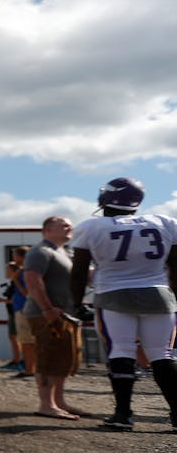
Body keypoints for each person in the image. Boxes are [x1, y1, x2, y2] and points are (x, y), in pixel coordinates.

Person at [69, 178, 177, 431]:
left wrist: (76, 302)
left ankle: (123, 414)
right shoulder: (165, 222)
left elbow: (79, 270)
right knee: (162, 353)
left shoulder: (91, 227)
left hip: (113, 294)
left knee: (121, 350)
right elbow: (176, 267)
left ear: (106, 197)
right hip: (158, 293)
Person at [22, 216, 83, 420]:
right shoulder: (40, 251)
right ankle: (46, 405)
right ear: (47, 229)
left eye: (70, 225)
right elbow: (32, 280)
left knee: (64, 358)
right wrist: (47, 309)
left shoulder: (64, 252)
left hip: (65, 314)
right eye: (64, 225)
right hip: (45, 314)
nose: (69, 227)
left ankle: (59, 401)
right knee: (49, 358)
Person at [6, 247, 37, 378]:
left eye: (14, 255)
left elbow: (27, 293)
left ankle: (30, 370)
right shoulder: (26, 271)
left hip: (24, 309)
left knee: (27, 342)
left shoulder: (24, 273)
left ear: (21, 257)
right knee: (28, 342)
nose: (13, 258)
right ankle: (31, 368)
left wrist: (16, 280)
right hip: (23, 309)